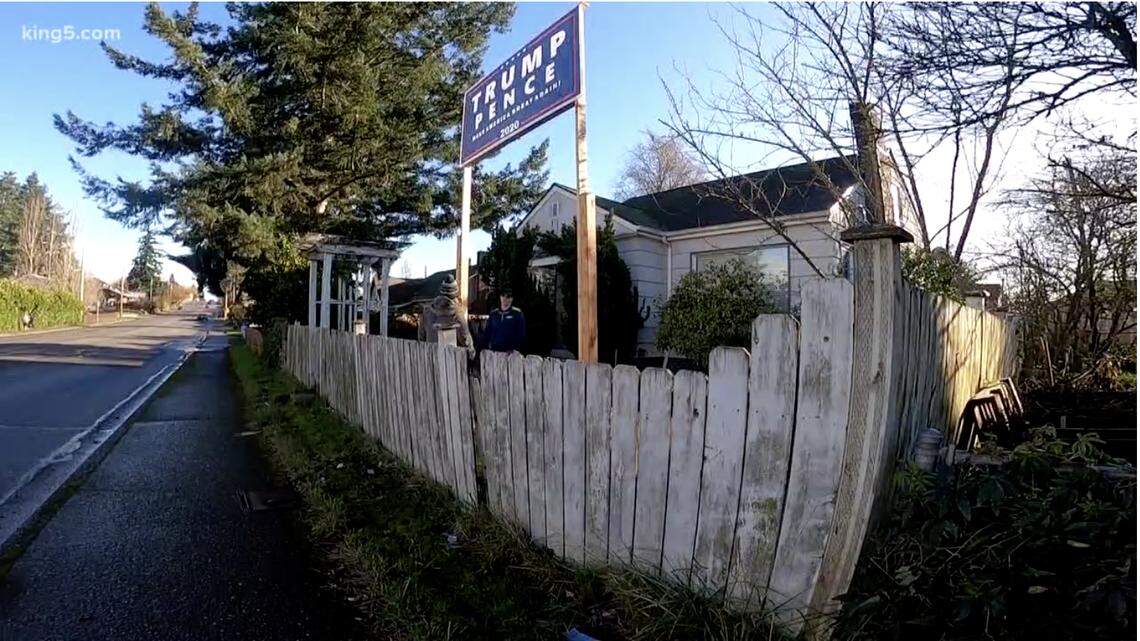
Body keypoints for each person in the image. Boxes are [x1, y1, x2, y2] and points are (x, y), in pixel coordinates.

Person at [482, 287, 526, 353]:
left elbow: (521, 334)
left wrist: (514, 348)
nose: (505, 298)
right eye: (503, 296)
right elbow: (487, 332)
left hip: (510, 353)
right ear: (500, 297)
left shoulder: (517, 314)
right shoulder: (494, 313)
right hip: (494, 351)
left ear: (512, 299)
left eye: (508, 296)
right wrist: (485, 347)